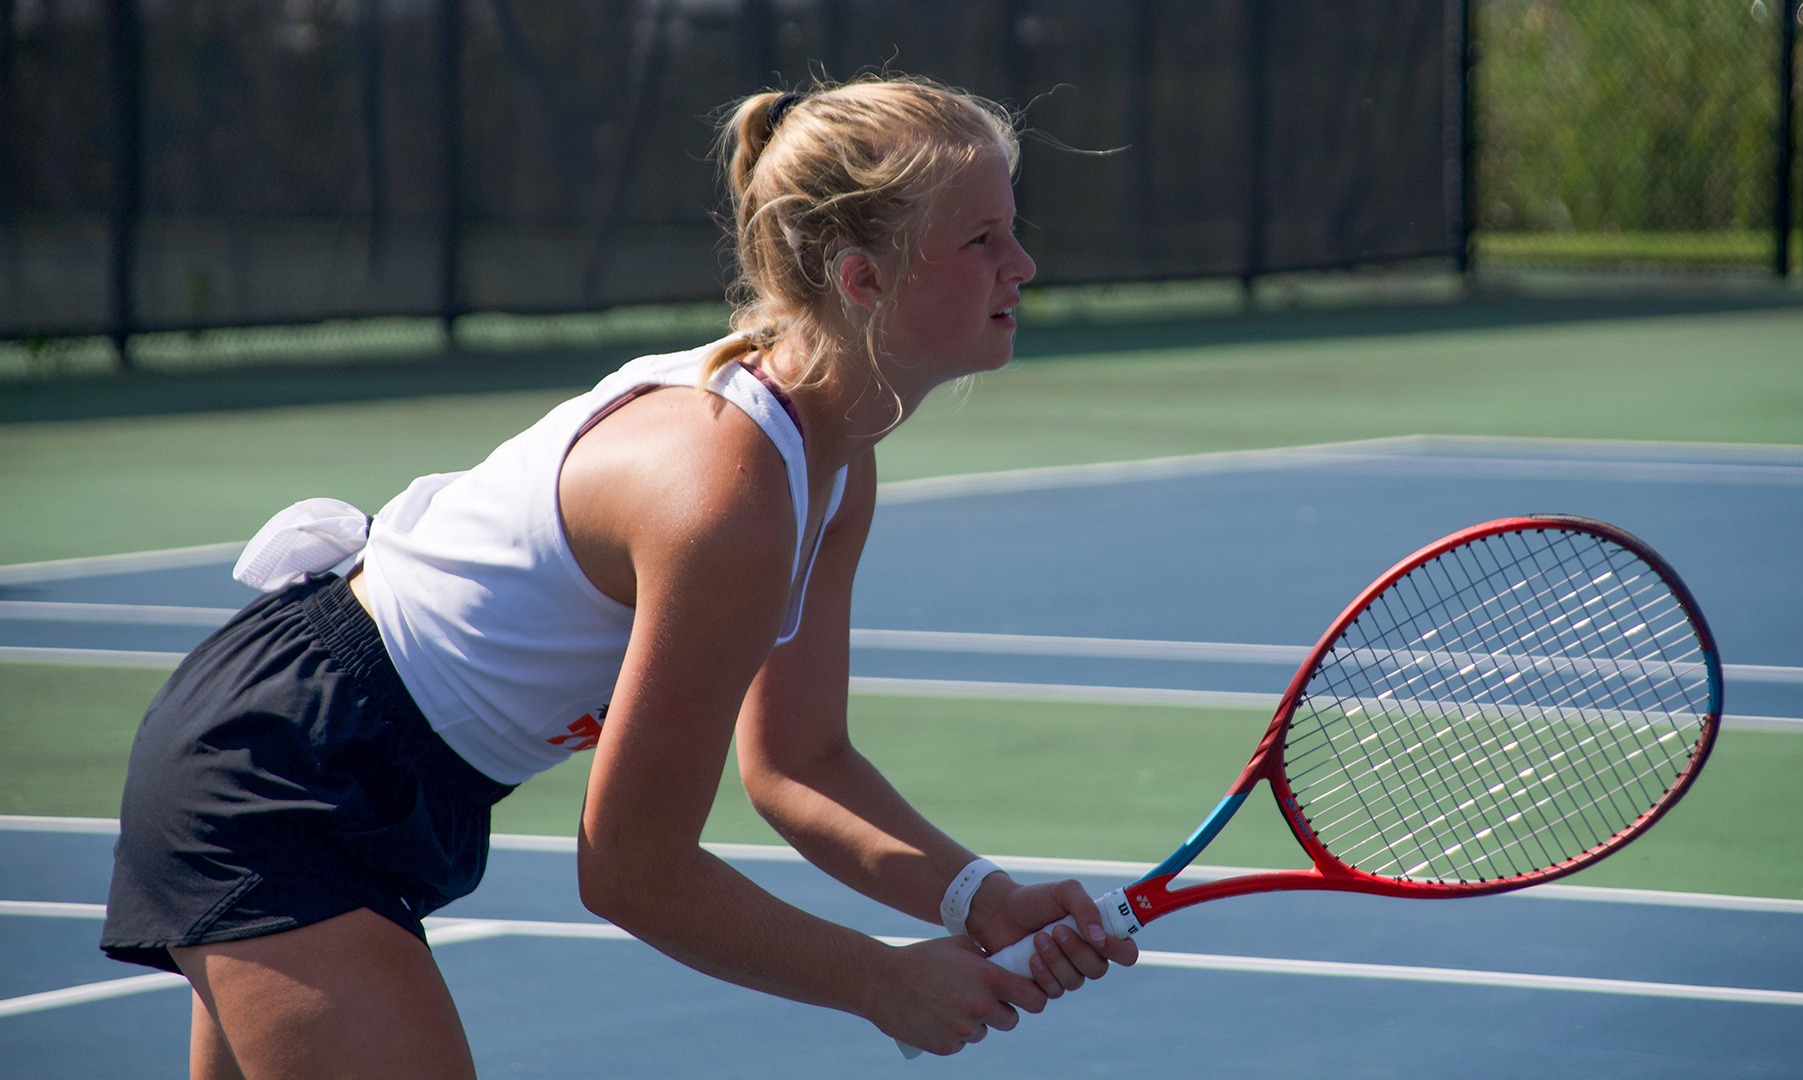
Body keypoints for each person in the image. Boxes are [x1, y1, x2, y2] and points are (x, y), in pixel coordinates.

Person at [98, 74, 1138, 1076]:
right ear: (862, 278)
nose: (1022, 263)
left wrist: (979, 900)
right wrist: (882, 982)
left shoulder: (832, 466)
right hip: (283, 769)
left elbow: (800, 761)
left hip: (359, 769)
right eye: (982, 238)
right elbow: (633, 870)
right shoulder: (725, 498)